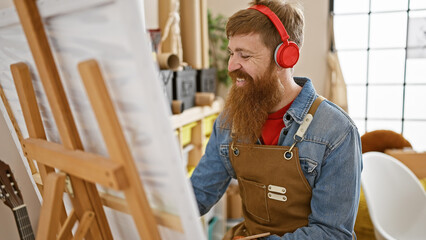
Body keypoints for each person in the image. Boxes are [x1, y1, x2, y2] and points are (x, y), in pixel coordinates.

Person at [190, 0, 362, 239]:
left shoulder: (337, 132)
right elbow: (196, 195)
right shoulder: (230, 122)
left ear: (285, 58)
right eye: (231, 53)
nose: (231, 65)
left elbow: (332, 234)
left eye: (245, 55)